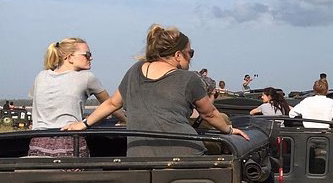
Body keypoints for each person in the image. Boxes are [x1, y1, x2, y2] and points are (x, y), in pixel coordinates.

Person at [64, 24, 248, 156]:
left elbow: (112, 103)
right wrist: (229, 130)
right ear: (177, 55)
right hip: (184, 154)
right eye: (189, 53)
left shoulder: (135, 70)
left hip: (139, 154)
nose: (191, 58)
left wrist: (83, 124)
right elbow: (209, 114)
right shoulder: (189, 79)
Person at [28, 37, 126, 157]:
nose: (91, 58)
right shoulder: (87, 77)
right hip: (69, 141)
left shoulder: (40, 76)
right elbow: (111, 104)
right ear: (69, 58)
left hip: (38, 142)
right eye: (87, 55)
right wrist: (124, 120)